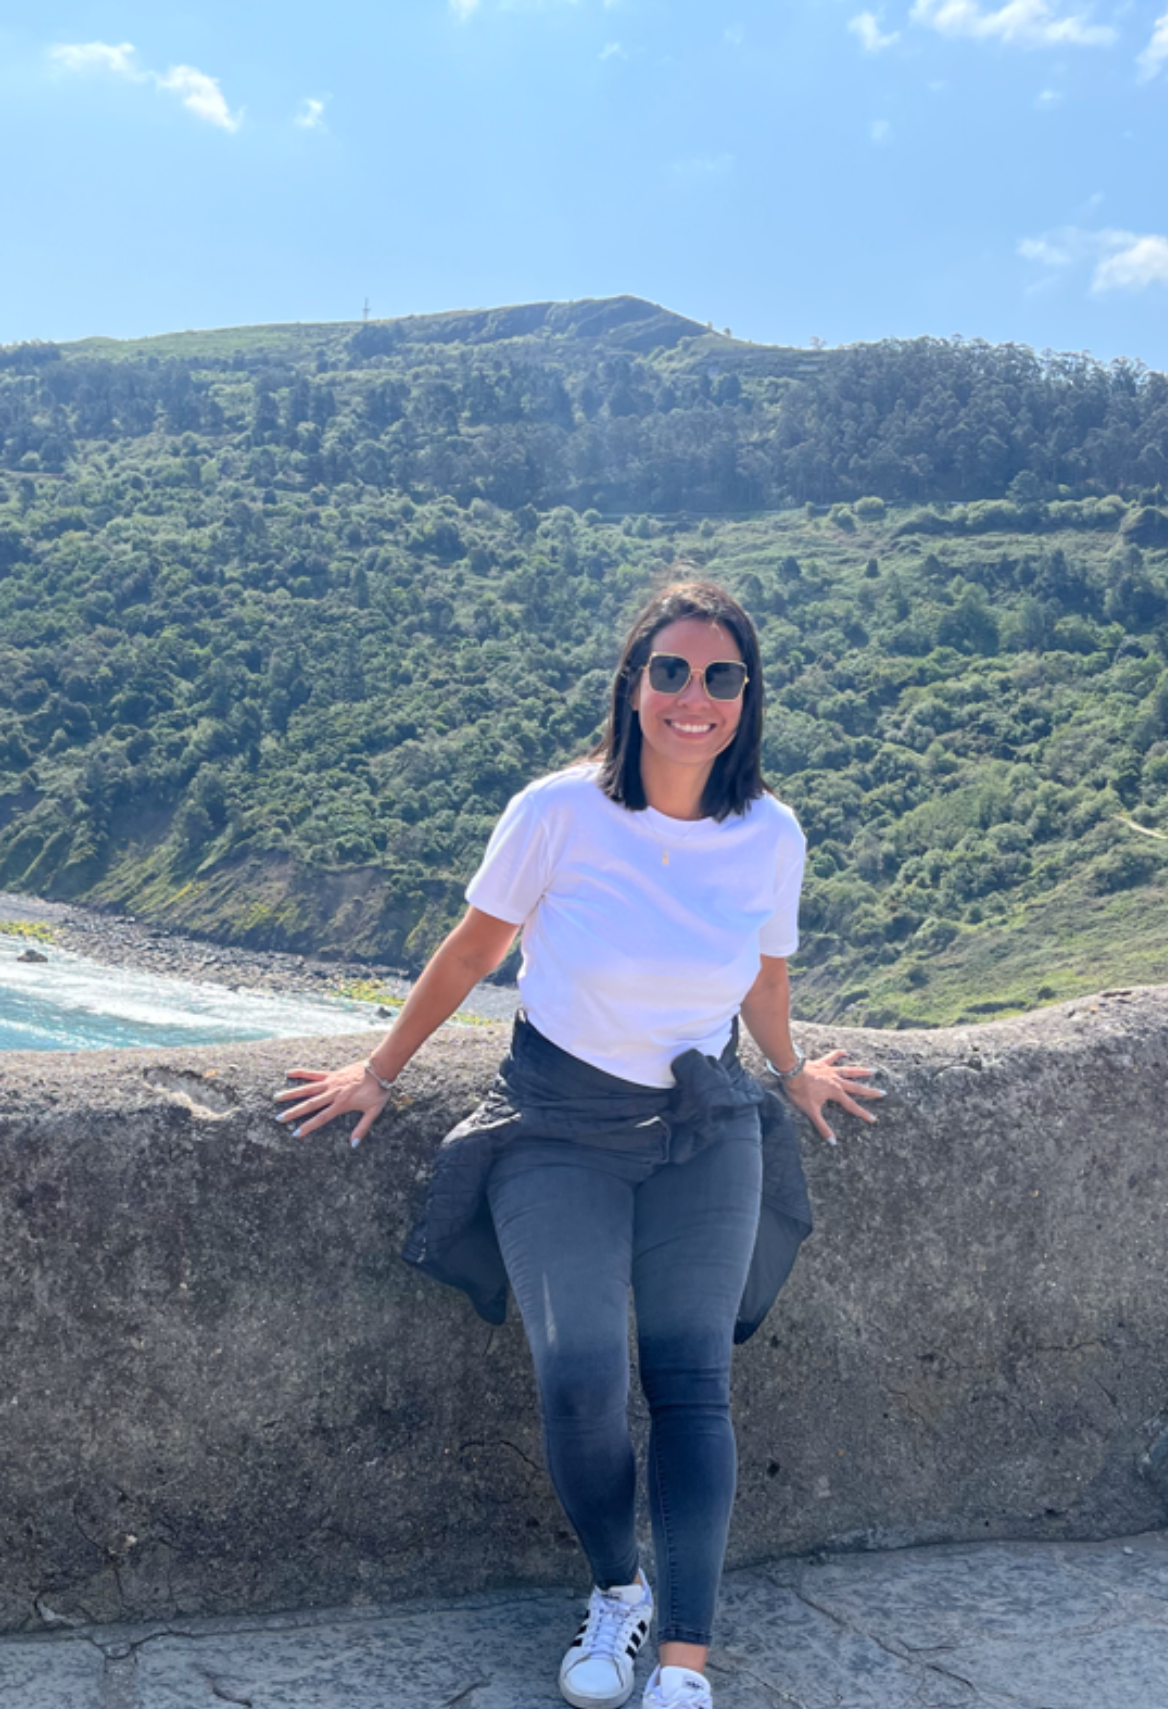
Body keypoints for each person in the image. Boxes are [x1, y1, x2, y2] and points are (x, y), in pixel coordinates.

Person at [276, 577, 881, 1709]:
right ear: (632, 682)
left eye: (719, 676)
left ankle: (686, 1662)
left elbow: (764, 973)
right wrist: (380, 1070)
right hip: (558, 1119)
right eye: (670, 670)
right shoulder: (556, 810)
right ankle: (619, 1591)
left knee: (692, 1379)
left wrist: (793, 1071)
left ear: (747, 698)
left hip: (705, 1126)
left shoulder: (771, 832)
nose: (692, 696)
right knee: (582, 1376)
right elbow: (471, 952)